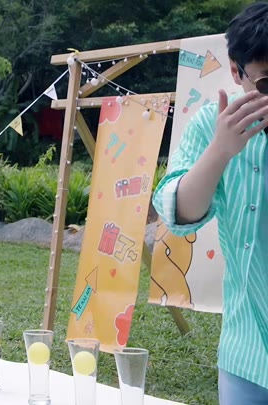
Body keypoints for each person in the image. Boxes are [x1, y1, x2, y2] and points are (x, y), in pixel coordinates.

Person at [152, 3, 268, 403]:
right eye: (267, 83)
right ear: (236, 71)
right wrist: (220, 150)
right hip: (246, 345)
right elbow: (177, 213)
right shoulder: (210, 124)